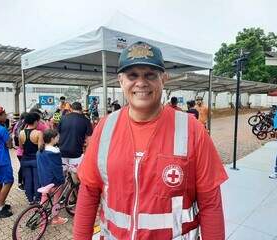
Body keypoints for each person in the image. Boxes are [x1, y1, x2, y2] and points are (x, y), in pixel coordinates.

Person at [73, 41, 228, 239]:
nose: (141, 83)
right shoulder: (105, 128)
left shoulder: (192, 130)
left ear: (164, 79)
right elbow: (89, 193)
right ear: (120, 81)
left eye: (150, 75)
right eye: (132, 75)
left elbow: (211, 203)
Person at [37, 129, 68, 225]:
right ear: (52, 139)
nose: (59, 138)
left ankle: (41, 217)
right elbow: (57, 168)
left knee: (44, 197)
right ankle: (55, 219)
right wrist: (61, 179)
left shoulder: (40, 151)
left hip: (44, 179)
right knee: (56, 199)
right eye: (57, 137)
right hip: (54, 180)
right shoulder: (55, 151)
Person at [58, 102, 93, 168]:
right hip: (76, 152)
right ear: (81, 109)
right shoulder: (86, 120)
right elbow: (89, 139)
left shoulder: (63, 118)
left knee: (62, 173)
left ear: (71, 109)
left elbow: (58, 134)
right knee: (74, 173)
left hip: (62, 150)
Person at [19, 112, 43, 204]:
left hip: (25, 159)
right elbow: (40, 149)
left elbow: (21, 147)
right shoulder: (38, 133)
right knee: (37, 180)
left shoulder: (21, 133)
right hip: (35, 159)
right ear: (35, 121)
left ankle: (30, 199)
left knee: (27, 180)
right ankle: (37, 198)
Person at [12, 112, 27, 191]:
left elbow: (14, 135)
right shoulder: (24, 125)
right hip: (24, 151)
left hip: (19, 151)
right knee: (23, 168)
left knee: (22, 167)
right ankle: (21, 184)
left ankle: (21, 183)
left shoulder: (17, 124)